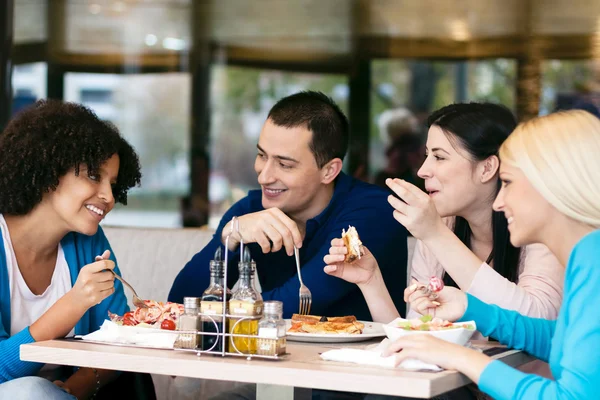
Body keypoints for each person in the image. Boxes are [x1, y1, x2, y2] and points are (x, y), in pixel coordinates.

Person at [381, 109, 600, 399]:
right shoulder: (586, 254)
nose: (499, 201)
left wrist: (464, 359)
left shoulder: (592, 259)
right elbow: (561, 341)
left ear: (552, 185)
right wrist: (470, 307)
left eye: (507, 182)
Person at [169, 91, 408, 321]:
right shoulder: (250, 211)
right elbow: (179, 306)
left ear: (329, 171)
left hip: (359, 359)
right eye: (262, 156)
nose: (264, 176)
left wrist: (219, 311)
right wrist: (227, 239)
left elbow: (297, 302)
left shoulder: (373, 211)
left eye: (284, 164)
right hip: (273, 356)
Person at [324, 103, 562, 325]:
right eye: (427, 155)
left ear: (487, 168)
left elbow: (537, 322)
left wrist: (435, 234)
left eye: (439, 157)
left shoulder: (540, 223)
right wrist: (371, 280)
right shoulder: (442, 227)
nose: (423, 170)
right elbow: (419, 333)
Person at [0, 100, 142, 399]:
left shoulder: (87, 240)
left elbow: (117, 342)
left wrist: (72, 389)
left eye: (113, 184)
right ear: (50, 171)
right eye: (93, 175)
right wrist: (73, 304)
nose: (108, 196)